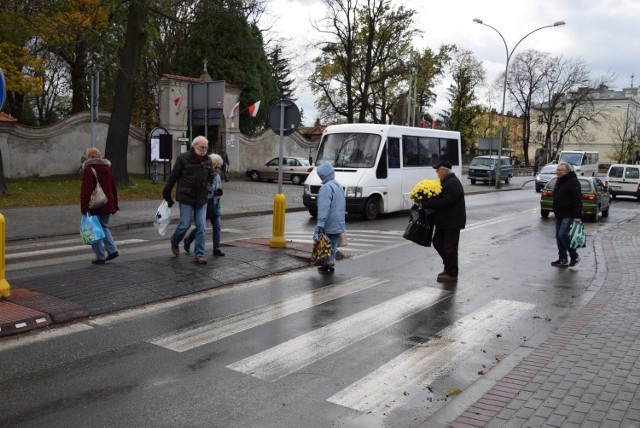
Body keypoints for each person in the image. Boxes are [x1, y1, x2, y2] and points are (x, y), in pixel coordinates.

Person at [163, 136, 213, 265]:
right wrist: (166, 194)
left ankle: (199, 254)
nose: (204, 150)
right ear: (194, 146)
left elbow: (210, 176)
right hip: (186, 198)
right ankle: (175, 241)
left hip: (202, 199)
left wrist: (208, 187)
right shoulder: (183, 158)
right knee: (185, 224)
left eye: (206, 147)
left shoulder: (208, 160)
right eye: (202, 147)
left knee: (201, 227)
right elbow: (173, 177)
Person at [421, 160, 466, 283]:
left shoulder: (452, 183)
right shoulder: (446, 182)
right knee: (437, 242)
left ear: (444, 171)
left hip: (452, 221)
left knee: (449, 247)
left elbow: (446, 201)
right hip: (444, 221)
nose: (436, 172)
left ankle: (452, 273)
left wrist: (427, 203)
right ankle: (448, 267)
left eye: (437, 170)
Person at [80, 147, 119, 265]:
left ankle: (100, 257)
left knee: (94, 229)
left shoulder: (89, 170)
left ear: (89, 157)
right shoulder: (107, 168)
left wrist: (84, 207)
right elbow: (113, 188)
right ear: (100, 156)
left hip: (95, 205)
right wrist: (115, 204)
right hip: (107, 203)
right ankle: (112, 250)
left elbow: (86, 191)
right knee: (104, 227)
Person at [183, 154, 225, 257]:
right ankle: (188, 241)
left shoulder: (218, 176)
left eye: (219, 167)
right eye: (216, 167)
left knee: (217, 226)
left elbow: (218, 188)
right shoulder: (204, 175)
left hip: (214, 205)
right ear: (211, 166)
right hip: (204, 205)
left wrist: (218, 193)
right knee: (200, 227)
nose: (218, 170)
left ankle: (216, 248)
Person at [314, 162, 346, 273]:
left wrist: (320, 224)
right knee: (333, 244)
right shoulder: (338, 186)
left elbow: (324, 208)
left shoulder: (326, 188)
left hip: (329, 222)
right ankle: (330, 263)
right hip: (339, 222)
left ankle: (326, 262)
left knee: (322, 242)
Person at [551, 162, 582, 267]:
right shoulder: (559, 181)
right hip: (559, 213)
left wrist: (577, 216)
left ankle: (574, 255)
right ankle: (562, 258)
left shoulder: (573, 182)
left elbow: (577, 200)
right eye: (557, 170)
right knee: (558, 237)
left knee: (563, 235)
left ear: (567, 171)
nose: (558, 172)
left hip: (569, 214)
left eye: (560, 170)